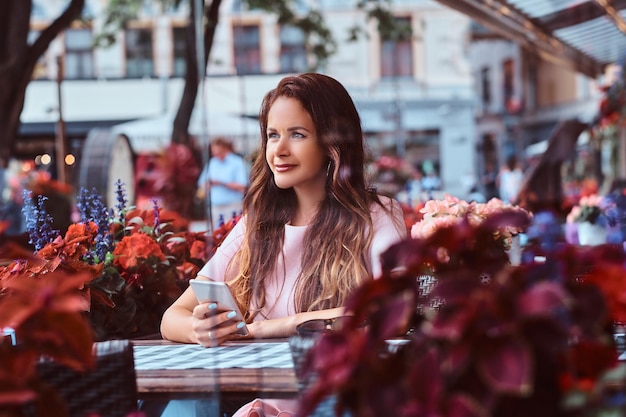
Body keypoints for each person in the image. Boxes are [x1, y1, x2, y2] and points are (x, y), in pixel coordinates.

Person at [160, 73, 407, 417]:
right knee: (183, 406)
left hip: (335, 399)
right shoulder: (258, 222)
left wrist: (268, 328)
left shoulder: (377, 215)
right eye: (273, 135)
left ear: (332, 144)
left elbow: (393, 308)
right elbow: (172, 317)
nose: (279, 149)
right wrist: (200, 328)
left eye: (297, 135)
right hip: (257, 402)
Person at [196, 137, 249, 231]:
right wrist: (208, 184)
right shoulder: (212, 163)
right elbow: (201, 184)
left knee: (233, 232)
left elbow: (243, 186)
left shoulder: (237, 162)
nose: (216, 154)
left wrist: (222, 183)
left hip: (233, 206)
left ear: (225, 148)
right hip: (215, 207)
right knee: (216, 235)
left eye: (218, 152)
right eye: (214, 152)